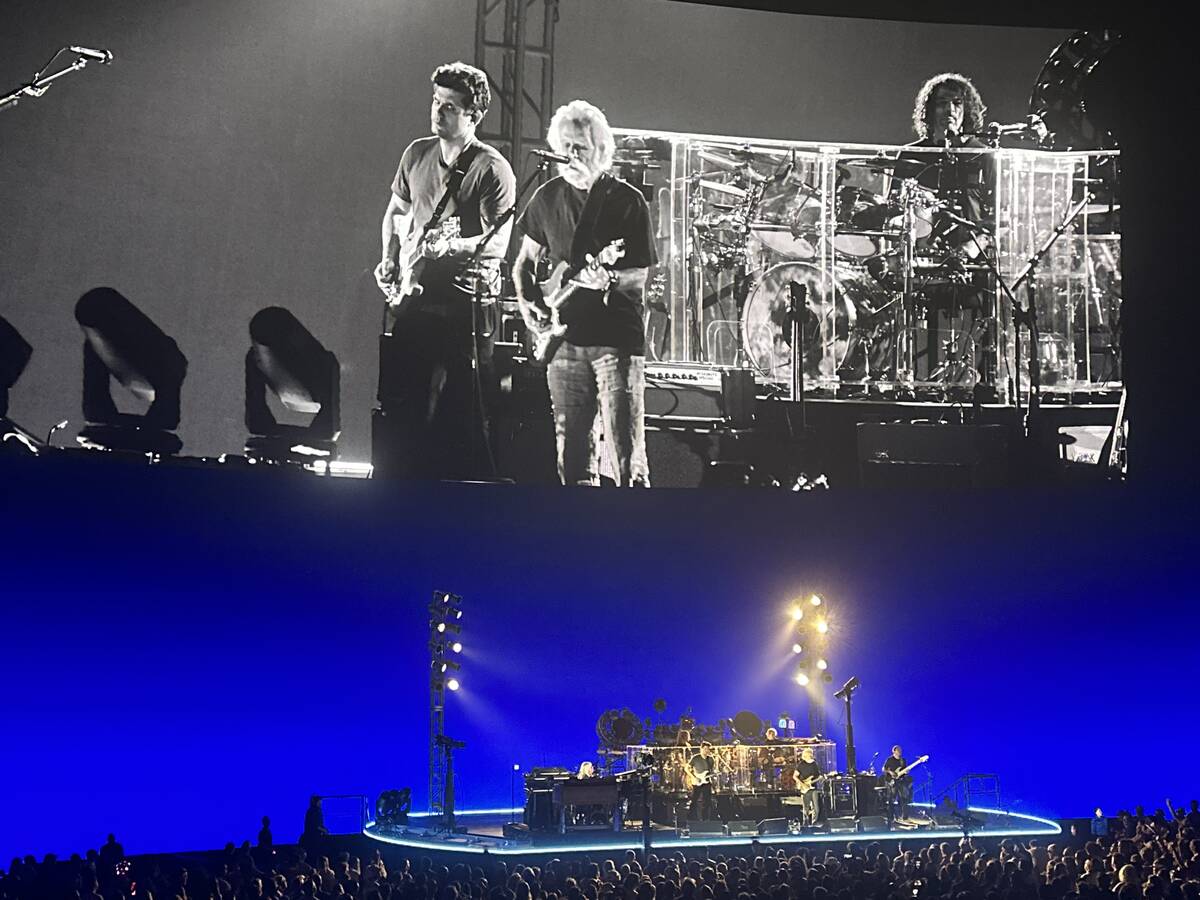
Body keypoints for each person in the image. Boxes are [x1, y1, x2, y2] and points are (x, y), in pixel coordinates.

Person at [374, 61, 516, 480]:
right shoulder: (416, 153)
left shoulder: (491, 169)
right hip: (415, 298)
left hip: (464, 306)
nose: (438, 112)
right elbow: (396, 212)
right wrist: (390, 258)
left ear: (474, 114)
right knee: (405, 407)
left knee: (460, 414)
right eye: (436, 102)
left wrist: (449, 246)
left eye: (450, 107)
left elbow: (498, 245)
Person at [514, 99, 657, 486]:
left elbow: (640, 274)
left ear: (601, 151)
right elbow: (523, 262)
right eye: (565, 146)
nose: (571, 154)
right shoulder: (546, 196)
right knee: (572, 459)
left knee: (626, 457)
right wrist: (529, 304)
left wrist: (608, 280)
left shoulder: (626, 200)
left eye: (581, 147)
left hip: (615, 342)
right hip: (563, 341)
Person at [882, 745, 914, 821]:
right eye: (898, 750)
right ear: (894, 751)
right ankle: (891, 817)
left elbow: (904, 770)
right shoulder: (889, 759)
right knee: (891, 799)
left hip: (901, 780)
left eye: (900, 750)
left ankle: (905, 817)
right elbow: (884, 769)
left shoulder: (903, 760)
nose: (900, 751)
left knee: (904, 799)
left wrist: (906, 771)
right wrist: (890, 772)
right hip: (892, 781)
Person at [793, 747, 823, 827]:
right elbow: (795, 776)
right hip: (804, 788)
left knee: (816, 807)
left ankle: (814, 823)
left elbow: (817, 776)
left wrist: (820, 778)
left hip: (813, 787)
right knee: (805, 807)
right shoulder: (801, 764)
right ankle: (805, 823)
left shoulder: (814, 764)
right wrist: (802, 784)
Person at [686, 742, 716, 821]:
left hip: (706, 782)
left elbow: (711, 771)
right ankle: (691, 818)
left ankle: (705, 819)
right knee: (694, 800)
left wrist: (713, 775)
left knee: (707, 801)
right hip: (697, 781)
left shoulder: (710, 759)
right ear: (701, 749)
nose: (706, 751)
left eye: (708, 749)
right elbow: (686, 769)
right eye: (705, 749)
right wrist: (694, 777)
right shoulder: (695, 758)